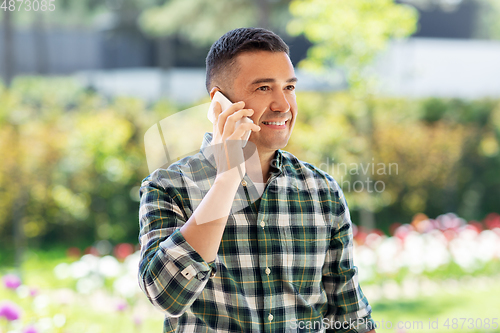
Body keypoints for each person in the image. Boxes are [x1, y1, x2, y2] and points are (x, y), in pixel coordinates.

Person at [138, 27, 376, 333]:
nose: (283, 105)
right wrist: (227, 178)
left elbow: (350, 315)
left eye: (289, 88)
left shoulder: (322, 190)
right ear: (219, 102)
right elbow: (165, 294)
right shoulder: (169, 187)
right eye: (264, 88)